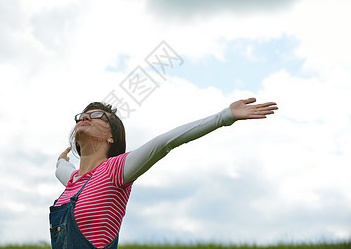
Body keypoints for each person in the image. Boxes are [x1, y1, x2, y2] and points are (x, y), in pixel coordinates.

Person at [49, 97, 278, 249]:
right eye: (83, 115)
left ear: (112, 137)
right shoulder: (72, 181)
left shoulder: (116, 171)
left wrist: (224, 117)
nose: (86, 117)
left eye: (99, 116)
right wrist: (62, 159)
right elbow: (61, 167)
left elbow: (163, 143)